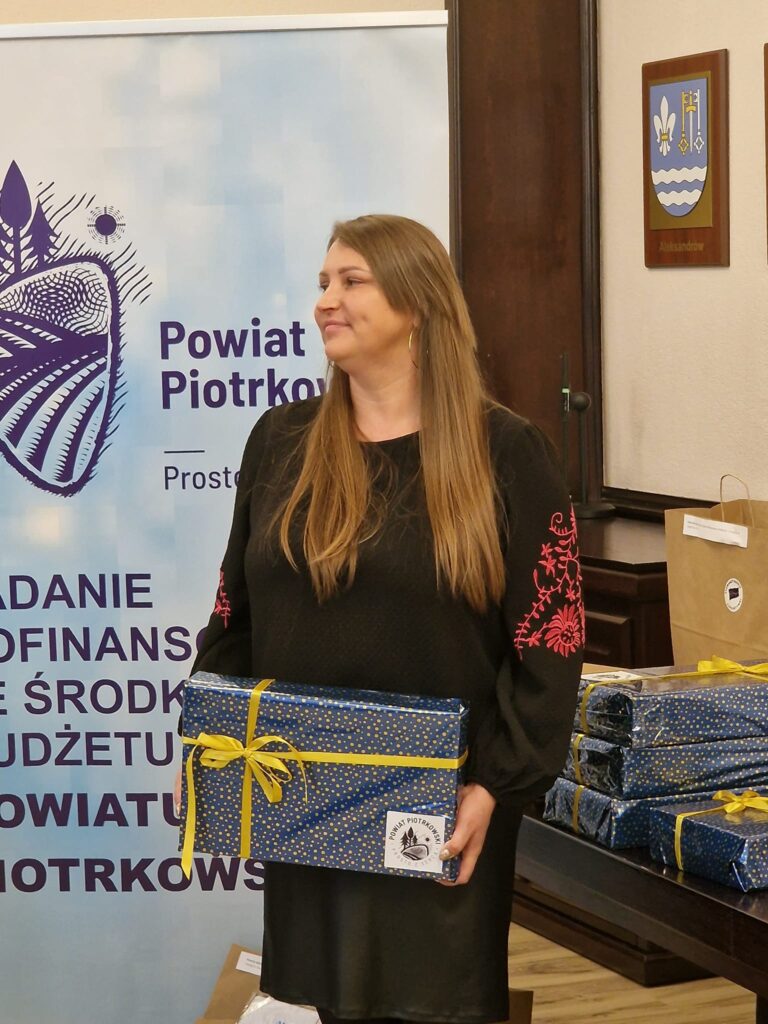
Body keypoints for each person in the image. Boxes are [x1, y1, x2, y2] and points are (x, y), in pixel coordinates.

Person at [180, 214, 584, 1024]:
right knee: (323, 1003)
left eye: (351, 281)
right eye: (323, 283)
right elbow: (233, 615)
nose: (325, 300)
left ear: (418, 304)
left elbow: (551, 644)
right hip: (303, 794)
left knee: (433, 1004)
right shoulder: (280, 441)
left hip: (441, 806)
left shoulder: (508, 453)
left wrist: (492, 788)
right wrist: (213, 743)